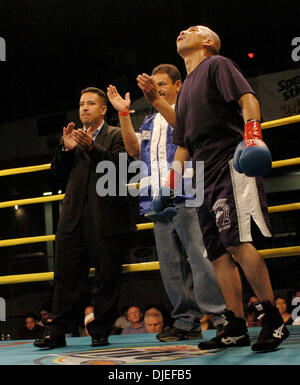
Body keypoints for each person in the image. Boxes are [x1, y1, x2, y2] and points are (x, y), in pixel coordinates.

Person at [153, 25, 289, 352]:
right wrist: (170, 184)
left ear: (209, 42)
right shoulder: (184, 92)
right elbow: (183, 143)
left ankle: (273, 319)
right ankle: (236, 324)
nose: (183, 31)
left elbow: (247, 98)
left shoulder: (218, 64)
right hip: (202, 172)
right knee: (215, 253)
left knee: (238, 243)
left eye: (193, 29)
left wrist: (252, 136)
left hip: (230, 161)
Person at [107, 64, 226, 342]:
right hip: (157, 202)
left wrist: (156, 100)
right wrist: (123, 114)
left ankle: (221, 316)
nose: (157, 88)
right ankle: (186, 321)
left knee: (200, 259)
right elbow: (133, 150)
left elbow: (185, 129)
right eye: (153, 84)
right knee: (171, 266)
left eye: (162, 83)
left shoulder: (187, 111)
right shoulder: (148, 122)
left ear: (178, 85)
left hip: (189, 196)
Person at [34, 87, 136, 349]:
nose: (84, 108)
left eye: (90, 103)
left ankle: (101, 330)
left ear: (103, 109)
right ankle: (55, 331)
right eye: (81, 104)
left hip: (107, 218)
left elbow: (124, 168)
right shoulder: (72, 137)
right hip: (72, 218)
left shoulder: (116, 134)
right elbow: (56, 174)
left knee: (107, 277)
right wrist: (66, 150)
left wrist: (92, 147)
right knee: (65, 277)